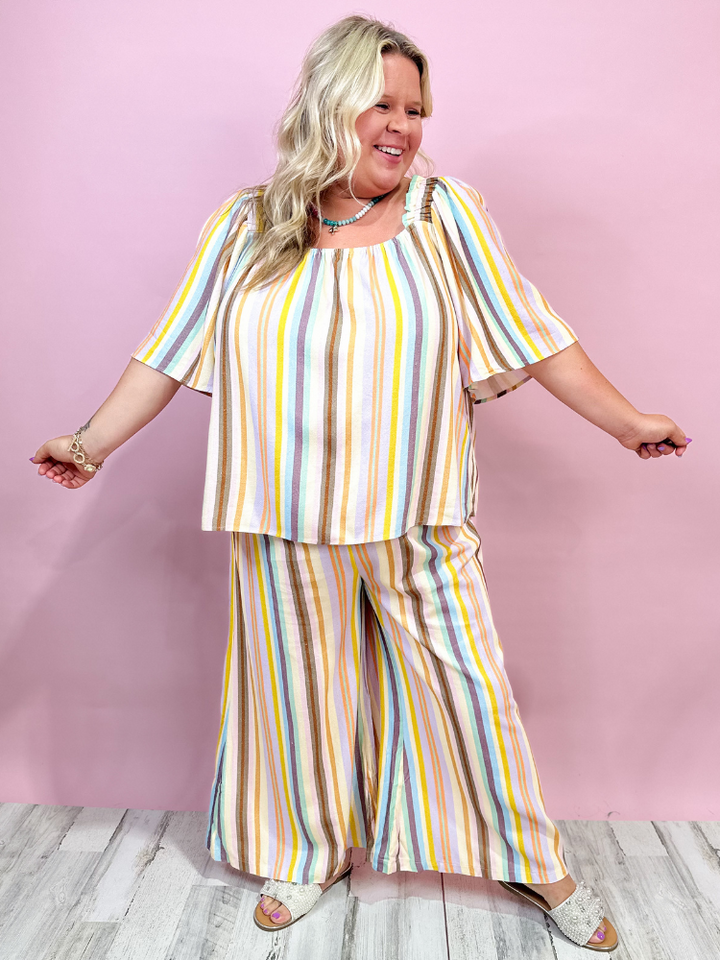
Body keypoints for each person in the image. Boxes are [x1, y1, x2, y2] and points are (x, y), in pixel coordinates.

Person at [31, 15, 690, 952]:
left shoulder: (445, 215)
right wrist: (89, 443)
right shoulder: (248, 224)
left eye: (415, 110)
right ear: (327, 106)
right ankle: (309, 852)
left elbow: (533, 330)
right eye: (380, 104)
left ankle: (535, 862)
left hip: (417, 509)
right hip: (280, 512)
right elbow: (170, 349)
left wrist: (627, 422)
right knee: (297, 698)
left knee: (468, 691)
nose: (401, 126)